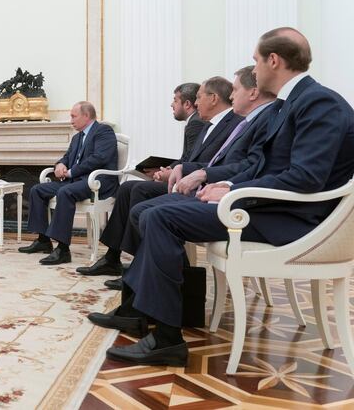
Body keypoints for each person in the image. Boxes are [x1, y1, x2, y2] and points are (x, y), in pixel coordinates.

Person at [92, 27, 354, 367]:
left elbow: (306, 177)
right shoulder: (294, 104)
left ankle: (167, 338)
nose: (254, 70)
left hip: (291, 219)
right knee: (150, 210)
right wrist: (224, 185)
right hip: (266, 207)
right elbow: (260, 165)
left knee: (159, 216)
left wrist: (233, 189)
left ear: (274, 60)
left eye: (256, 61)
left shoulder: (317, 102)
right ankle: (144, 308)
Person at [77, 77, 242, 277]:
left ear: (212, 98)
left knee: (137, 189)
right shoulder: (206, 124)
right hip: (190, 180)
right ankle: (115, 257)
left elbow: (212, 163)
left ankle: (139, 261)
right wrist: (169, 170)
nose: (196, 104)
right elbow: (189, 159)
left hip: (203, 187)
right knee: (128, 188)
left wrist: (173, 172)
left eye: (198, 97)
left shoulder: (200, 123)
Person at [18, 101, 118, 265]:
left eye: (73, 116)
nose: (70, 120)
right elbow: (67, 156)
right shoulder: (77, 137)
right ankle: (43, 240)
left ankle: (63, 249)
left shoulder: (103, 131)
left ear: (86, 116)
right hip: (75, 181)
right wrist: (60, 165)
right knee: (37, 190)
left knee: (64, 192)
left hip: (97, 182)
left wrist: (71, 171)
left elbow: (99, 158)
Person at [172, 82, 206, 162]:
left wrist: (166, 170)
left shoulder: (195, 124)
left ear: (187, 104)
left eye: (175, 101)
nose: (172, 104)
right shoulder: (196, 120)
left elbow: (191, 159)